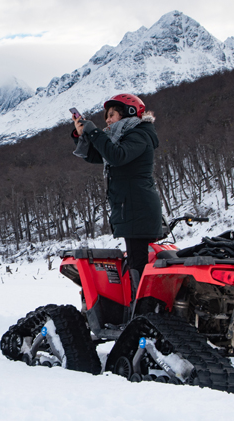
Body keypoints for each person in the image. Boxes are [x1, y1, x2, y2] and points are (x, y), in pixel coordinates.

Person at [71, 93, 163, 296]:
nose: (108, 120)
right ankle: (138, 308)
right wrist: (82, 134)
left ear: (128, 113)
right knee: (136, 263)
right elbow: (97, 156)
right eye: (106, 117)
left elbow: (116, 156)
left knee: (137, 265)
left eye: (112, 115)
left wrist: (95, 132)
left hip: (138, 208)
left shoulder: (140, 135)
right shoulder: (123, 137)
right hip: (130, 207)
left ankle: (140, 311)